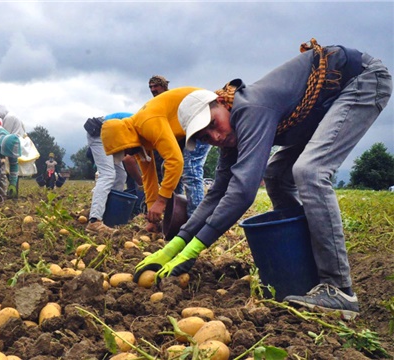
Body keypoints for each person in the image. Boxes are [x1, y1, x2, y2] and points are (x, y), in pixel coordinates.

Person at [134, 39, 392, 320]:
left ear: (221, 102)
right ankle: (307, 267)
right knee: (276, 175)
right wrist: (177, 243)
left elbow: (243, 191)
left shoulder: (250, 109)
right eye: (207, 137)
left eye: (213, 124)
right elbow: (218, 191)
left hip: (361, 80)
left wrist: (197, 247)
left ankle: (338, 289)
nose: (216, 136)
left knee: (310, 171)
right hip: (328, 101)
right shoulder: (231, 132)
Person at [101, 86, 209, 233]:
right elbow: (148, 176)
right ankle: (176, 220)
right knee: (169, 172)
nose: (127, 154)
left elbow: (176, 161)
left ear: (126, 140)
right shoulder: (137, 140)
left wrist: (161, 201)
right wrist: (153, 212)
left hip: (202, 111)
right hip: (184, 126)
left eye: (124, 150)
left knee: (190, 168)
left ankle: (197, 226)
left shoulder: (147, 123)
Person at [149, 75, 211, 218]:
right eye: (150, 87)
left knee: (191, 168)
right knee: (169, 167)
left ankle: (195, 220)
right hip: (182, 137)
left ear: (163, 86)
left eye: (155, 86)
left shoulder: (173, 99)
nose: (153, 90)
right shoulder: (156, 104)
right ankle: (176, 213)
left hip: (200, 125)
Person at [85, 112, 142, 235]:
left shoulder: (140, 125)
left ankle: (109, 215)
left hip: (111, 135)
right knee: (108, 174)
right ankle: (95, 220)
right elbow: (131, 158)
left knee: (121, 175)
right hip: (99, 132)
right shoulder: (141, 125)